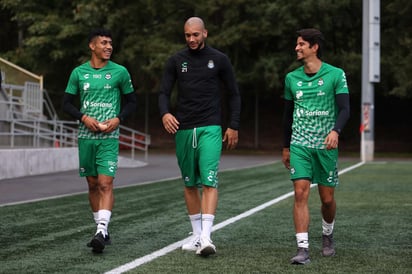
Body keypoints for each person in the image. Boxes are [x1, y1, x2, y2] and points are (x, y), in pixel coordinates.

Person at [158, 17, 241, 256]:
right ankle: (196, 236)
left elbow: (234, 94)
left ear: (205, 33)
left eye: (196, 34)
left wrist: (233, 125)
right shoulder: (176, 61)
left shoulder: (220, 59)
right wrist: (165, 114)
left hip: (210, 128)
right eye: (187, 35)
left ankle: (206, 236)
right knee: (189, 183)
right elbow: (163, 92)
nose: (192, 39)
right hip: (183, 129)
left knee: (209, 180)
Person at [63, 28, 136, 253]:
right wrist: (83, 117)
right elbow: (66, 103)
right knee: (93, 184)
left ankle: (101, 229)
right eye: (103, 43)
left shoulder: (120, 72)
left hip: (109, 137)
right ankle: (101, 230)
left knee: (105, 183)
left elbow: (133, 102)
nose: (108, 47)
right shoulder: (78, 73)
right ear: (92, 46)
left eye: (110, 43)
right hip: (86, 136)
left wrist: (118, 118)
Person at [282, 28, 350, 264]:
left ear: (314, 47)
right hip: (299, 144)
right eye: (297, 44)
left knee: (327, 199)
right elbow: (287, 115)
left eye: (301, 44)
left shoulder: (336, 74)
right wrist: (286, 147)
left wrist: (335, 131)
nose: (297, 48)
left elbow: (345, 109)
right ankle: (303, 249)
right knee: (300, 192)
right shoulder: (291, 78)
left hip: (326, 146)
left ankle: (328, 234)